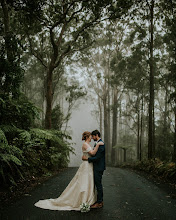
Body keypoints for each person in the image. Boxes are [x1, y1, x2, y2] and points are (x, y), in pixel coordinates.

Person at [34, 131, 103, 211]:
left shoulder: (88, 144)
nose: (91, 138)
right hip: (86, 165)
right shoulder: (85, 144)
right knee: (84, 182)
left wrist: (94, 149)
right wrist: (98, 145)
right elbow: (92, 153)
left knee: (89, 182)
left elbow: (88, 154)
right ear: (87, 137)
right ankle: (81, 200)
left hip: (89, 165)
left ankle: (89, 199)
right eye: (90, 136)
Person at [82, 129, 106, 209]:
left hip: (99, 167)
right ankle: (97, 200)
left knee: (98, 184)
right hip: (96, 167)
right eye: (91, 136)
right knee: (96, 184)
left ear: (96, 136)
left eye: (93, 136)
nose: (92, 138)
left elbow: (98, 157)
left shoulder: (101, 144)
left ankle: (99, 202)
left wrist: (87, 159)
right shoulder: (98, 143)